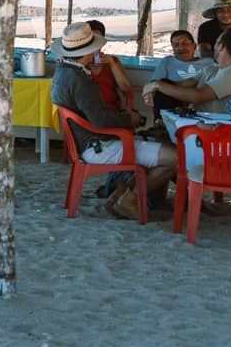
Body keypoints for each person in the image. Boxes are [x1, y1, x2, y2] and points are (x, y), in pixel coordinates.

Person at [49, 22, 177, 214]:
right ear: (90, 50)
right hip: (99, 146)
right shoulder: (80, 80)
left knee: (163, 152)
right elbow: (101, 120)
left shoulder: (62, 72)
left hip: (88, 143)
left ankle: (119, 196)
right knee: (176, 158)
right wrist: (129, 120)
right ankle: (128, 199)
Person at [144, 27, 231, 115]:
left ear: (220, 46)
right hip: (195, 121)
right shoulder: (212, 69)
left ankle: (164, 131)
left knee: (161, 85)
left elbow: (198, 96)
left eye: (216, 42)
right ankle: (161, 126)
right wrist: (154, 84)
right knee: (164, 84)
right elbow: (183, 84)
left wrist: (157, 85)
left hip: (214, 129)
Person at [84, 20, 133, 111]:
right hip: (87, 111)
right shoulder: (79, 63)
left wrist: (112, 64)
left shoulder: (112, 61)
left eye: (98, 39)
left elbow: (126, 88)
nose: (95, 44)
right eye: (91, 39)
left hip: (110, 110)